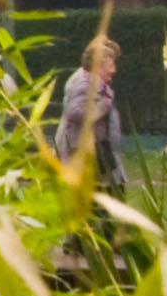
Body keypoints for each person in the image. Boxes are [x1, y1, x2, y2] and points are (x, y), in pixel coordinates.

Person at [50, 29, 125, 185]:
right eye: (110, 61)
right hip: (86, 153)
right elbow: (75, 114)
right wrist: (103, 106)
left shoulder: (95, 81)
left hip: (98, 152)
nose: (113, 68)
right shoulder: (83, 82)